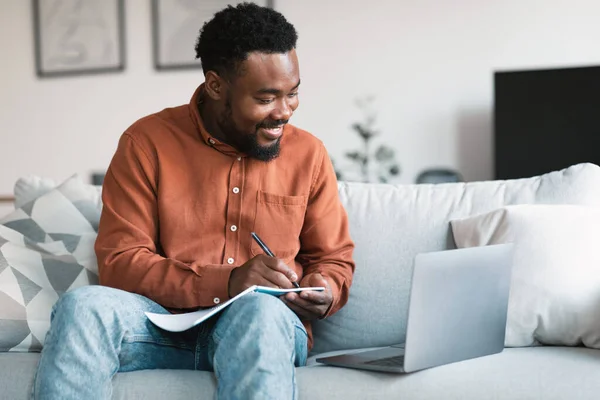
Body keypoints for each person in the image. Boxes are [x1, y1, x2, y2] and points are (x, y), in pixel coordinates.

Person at [33, 3, 355, 399]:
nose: (284, 111)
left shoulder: (309, 154)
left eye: (293, 93)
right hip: (159, 326)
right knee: (83, 306)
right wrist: (228, 281)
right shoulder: (146, 143)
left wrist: (324, 288)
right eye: (267, 98)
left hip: (262, 324)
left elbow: (333, 260)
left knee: (258, 313)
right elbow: (120, 261)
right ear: (216, 86)